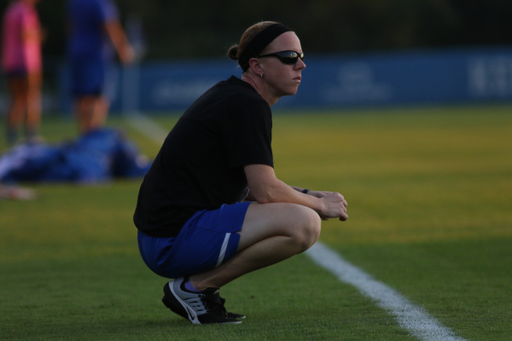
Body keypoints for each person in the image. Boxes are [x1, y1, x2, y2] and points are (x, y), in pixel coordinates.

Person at [133, 21, 349, 325]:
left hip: (164, 235)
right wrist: (318, 204)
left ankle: (195, 288)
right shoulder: (247, 104)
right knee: (305, 224)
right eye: (289, 56)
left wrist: (307, 194)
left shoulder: (236, 96)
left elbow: (245, 187)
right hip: (171, 240)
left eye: (301, 56)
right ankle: (194, 288)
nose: (300, 64)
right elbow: (265, 191)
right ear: (256, 65)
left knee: (300, 212)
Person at [67, 0, 134, 134]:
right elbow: (109, 25)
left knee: (81, 97)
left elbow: (71, 26)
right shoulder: (99, 2)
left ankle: (84, 135)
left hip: (76, 51)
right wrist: (123, 49)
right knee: (96, 97)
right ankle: (92, 137)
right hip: (95, 54)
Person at [1, 0, 44, 146]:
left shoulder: (10, 10)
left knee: (16, 100)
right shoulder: (25, 11)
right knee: (32, 98)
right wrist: (39, 34)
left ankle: (11, 133)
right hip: (27, 62)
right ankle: (31, 134)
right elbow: (25, 33)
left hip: (10, 61)